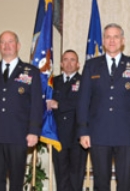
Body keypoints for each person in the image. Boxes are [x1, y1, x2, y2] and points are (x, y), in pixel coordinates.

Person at [77, 23, 130, 191]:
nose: (112, 40)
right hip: (98, 133)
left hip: (127, 134)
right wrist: (83, 131)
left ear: (122, 40)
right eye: (108, 37)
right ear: (103, 41)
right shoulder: (91, 65)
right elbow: (83, 101)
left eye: (116, 36)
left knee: (125, 183)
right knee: (101, 183)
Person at [0, 30, 43, 191]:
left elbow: (36, 104)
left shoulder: (30, 71)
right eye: (3, 42)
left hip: (18, 134)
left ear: (18, 45)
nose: (7, 45)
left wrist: (34, 130)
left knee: (16, 181)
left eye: (10, 41)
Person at [46, 49, 87, 191]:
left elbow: (83, 103)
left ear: (78, 64)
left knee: (76, 178)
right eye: (66, 60)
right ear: (61, 64)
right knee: (61, 176)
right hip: (58, 136)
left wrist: (60, 105)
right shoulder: (53, 82)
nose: (69, 63)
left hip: (78, 137)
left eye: (73, 60)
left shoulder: (84, 82)